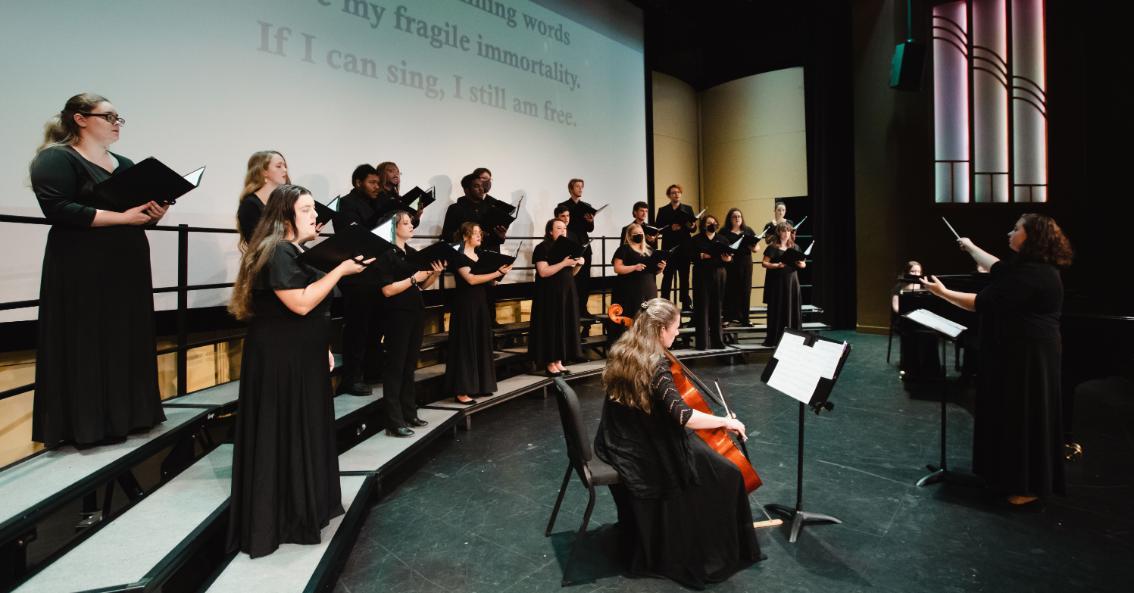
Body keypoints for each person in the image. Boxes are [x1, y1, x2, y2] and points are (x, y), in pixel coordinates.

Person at [226, 184, 370, 558]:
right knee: (283, 430)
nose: (315, 217)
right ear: (285, 216)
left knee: (301, 428)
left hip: (299, 354)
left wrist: (320, 346)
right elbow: (302, 304)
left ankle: (305, 505)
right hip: (279, 360)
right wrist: (340, 269)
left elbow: (309, 310)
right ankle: (285, 516)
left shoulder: (293, 250)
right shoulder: (275, 251)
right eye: (306, 209)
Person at [29, 92, 168, 447]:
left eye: (119, 118)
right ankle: (86, 426)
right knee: (87, 338)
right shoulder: (56, 158)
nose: (116, 124)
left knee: (126, 335)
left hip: (127, 263)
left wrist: (152, 213)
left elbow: (135, 215)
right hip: (82, 264)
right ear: (80, 118)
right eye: (109, 117)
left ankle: (131, 416)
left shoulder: (124, 163)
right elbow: (58, 208)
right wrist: (122, 217)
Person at [594, 298, 762, 588]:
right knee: (728, 474)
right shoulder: (656, 364)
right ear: (659, 329)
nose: (678, 332)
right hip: (646, 446)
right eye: (675, 327)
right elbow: (683, 416)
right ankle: (711, 546)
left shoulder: (623, 348)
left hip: (622, 435)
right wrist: (725, 421)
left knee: (710, 461)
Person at [920, 214, 1073, 505]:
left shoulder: (1033, 274)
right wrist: (970, 246)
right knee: (1012, 411)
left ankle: (1027, 487)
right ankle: (1008, 476)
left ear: (1032, 237)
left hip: (1029, 355)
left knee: (1023, 414)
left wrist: (941, 293)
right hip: (1020, 350)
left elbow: (981, 302)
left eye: (1016, 229)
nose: (1010, 232)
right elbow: (997, 267)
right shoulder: (1026, 267)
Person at [377, 210, 445, 437]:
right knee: (395, 367)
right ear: (394, 227)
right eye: (405, 223)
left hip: (415, 311)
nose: (411, 226)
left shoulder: (413, 253)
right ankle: (393, 421)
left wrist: (433, 275)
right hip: (396, 314)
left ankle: (409, 412)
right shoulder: (386, 253)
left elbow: (422, 286)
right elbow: (387, 290)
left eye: (411, 223)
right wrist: (415, 277)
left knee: (409, 366)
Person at [334, 164, 388, 396]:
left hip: (376, 273)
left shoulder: (379, 201)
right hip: (356, 275)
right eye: (372, 183)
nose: (378, 187)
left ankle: (372, 370)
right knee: (357, 328)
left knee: (376, 326)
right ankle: (352, 378)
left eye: (378, 183)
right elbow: (355, 235)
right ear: (358, 182)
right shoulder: (347, 203)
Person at [444, 222, 511, 405]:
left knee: (481, 341)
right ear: (465, 236)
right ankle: (462, 389)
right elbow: (470, 279)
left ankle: (481, 384)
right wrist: (495, 273)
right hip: (465, 304)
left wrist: (497, 276)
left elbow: (486, 279)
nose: (479, 236)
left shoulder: (481, 255)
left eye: (480, 233)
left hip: (480, 302)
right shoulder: (457, 255)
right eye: (475, 233)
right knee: (466, 344)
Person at [529, 219, 586, 376]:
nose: (563, 231)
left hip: (566, 292)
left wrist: (578, 264)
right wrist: (564, 263)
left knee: (564, 325)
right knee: (551, 326)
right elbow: (543, 272)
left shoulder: (568, 248)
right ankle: (550, 362)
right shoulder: (542, 248)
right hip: (549, 294)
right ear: (550, 231)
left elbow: (570, 274)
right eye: (559, 228)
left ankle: (559, 360)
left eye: (565, 228)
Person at [609, 223, 665, 342]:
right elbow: (617, 268)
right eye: (635, 234)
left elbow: (652, 271)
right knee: (632, 319)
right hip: (631, 290)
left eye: (641, 234)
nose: (639, 236)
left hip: (648, 289)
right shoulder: (624, 249)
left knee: (647, 319)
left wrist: (661, 268)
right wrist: (634, 267)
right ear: (629, 236)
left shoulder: (649, 250)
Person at [890, 260, 940, 380]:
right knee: (911, 333)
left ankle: (929, 369)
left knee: (931, 333)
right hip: (903, 319)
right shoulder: (899, 286)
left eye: (918, 271)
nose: (916, 274)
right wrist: (909, 315)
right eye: (913, 271)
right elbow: (896, 308)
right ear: (907, 272)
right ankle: (911, 367)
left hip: (920, 319)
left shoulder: (924, 286)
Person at [690, 215, 733, 350]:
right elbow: (689, 255)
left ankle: (718, 341)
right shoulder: (696, 239)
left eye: (714, 223)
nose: (712, 225)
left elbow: (730, 258)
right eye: (709, 223)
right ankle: (702, 343)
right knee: (702, 307)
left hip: (719, 274)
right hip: (701, 275)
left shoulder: (722, 239)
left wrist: (728, 259)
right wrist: (702, 255)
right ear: (703, 225)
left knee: (717, 307)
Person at [556, 178, 596, 318]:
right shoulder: (564, 205)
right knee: (572, 277)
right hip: (570, 243)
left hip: (584, 244)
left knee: (585, 279)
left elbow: (590, 229)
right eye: (577, 186)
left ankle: (583, 308)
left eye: (581, 187)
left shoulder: (587, 206)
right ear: (571, 189)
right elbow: (561, 224)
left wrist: (590, 221)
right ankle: (571, 308)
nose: (580, 189)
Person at [761, 222, 804, 347]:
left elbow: (803, 263)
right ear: (779, 233)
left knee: (791, 308)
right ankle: (776, 338)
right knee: (778, 308)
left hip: (792, 282)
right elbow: (764, 263)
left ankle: (793, 339)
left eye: (788, 231)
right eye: (783, 231)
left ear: (790, 233)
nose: (786, 234)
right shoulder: (772, 247)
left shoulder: (795, 247)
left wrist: (801, 264)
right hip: (777, 283)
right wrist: (776, 265)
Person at [656, 184, 696, 311]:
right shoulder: (663, 210)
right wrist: (670, 228)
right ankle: (665, 301)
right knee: (667, 275)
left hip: (684, 246)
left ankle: (685, 302)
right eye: (673, 192)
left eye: (678, 192)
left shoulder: (688, 209)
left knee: (684, 276)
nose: (676, 194)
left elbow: (693, 228)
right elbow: (658, 229)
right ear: (669, 195)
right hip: (669, 247)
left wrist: (690, 226)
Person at [237, 150, 290, 247]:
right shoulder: (250, 205)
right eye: (279, 166)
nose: (285, 170)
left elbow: (291, 244)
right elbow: (257, 246)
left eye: (285, 166)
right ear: (264, 172)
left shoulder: (287, 201)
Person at [442, 172, 505, 252]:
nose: (481, 189)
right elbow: (447, 235)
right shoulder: (455, 208)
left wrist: (501, 236)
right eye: (476, 186)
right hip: (467, 255)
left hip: (489, 254)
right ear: (466, 190)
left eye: (482, 186)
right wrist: (469, 235)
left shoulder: (491, 208)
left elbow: (496, 239)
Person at [720, 208, 758, 326]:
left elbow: (756, 248)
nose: (737, 219)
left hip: (745, 263)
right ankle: (727, 317)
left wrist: (753, 247)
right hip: (730, 264)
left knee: (745, 290)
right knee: (729, 289)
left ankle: (745, 318)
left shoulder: (748, 230)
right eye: (734, 216)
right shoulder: (724, 231)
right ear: (730, 219)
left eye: (739, 216)